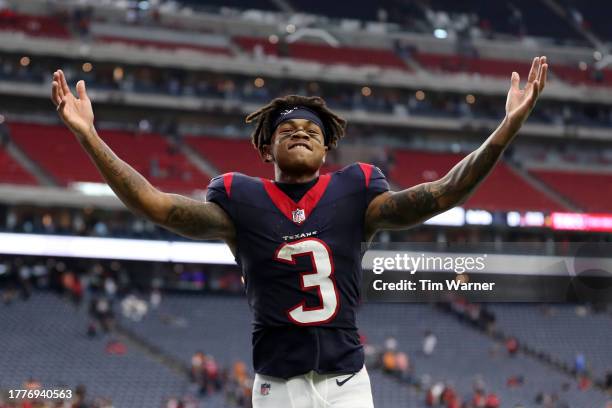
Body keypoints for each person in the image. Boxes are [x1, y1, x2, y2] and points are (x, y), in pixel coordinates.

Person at [50, 56, 548, 408]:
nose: (301, 132)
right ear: (266, 150)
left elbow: (443, 192)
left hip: (347, 384)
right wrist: (89, 137)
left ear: (327, 147)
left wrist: (505, 128)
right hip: (276, 388)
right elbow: (157, 205)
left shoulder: (356, 193)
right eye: (287, 129)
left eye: (312, 129)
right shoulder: (240, 200)